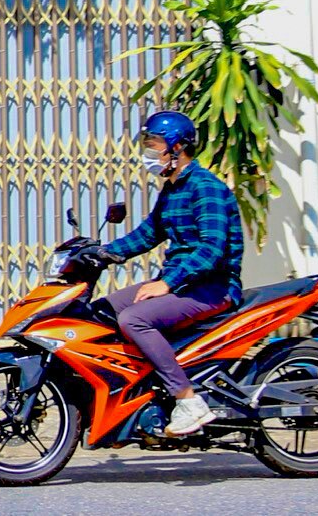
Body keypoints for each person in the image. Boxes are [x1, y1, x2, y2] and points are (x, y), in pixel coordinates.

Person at [101, 110, 244, 437]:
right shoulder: (172, 189)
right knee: (103, 311)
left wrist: (166, 283)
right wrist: (103, 253)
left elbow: (212, 249)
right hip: (185, 283)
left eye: (154, 144)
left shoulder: (205, 188)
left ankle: (188, 400)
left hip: (212, 287)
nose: (148, 152)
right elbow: (148, 234)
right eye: (147, 144)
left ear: (177, 148)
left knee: (133, 319)